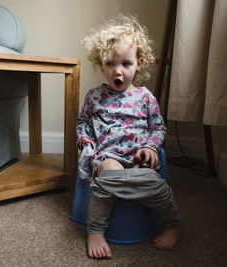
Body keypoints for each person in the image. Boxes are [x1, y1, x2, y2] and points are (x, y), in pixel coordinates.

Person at [77, 15, 180, 259]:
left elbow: (158, 127)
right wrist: (84, 139)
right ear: (100, 64)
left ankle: (172, 225)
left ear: (139, 63)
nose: (118, 71)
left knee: (149, 179)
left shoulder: (145, 97)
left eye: (125, 63)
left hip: (138, 156)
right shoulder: (94, 96)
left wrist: (151, 148)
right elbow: (83, 123)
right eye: (110, 63)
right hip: (108, 156)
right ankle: (96, 230)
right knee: (110, 173)